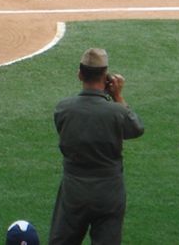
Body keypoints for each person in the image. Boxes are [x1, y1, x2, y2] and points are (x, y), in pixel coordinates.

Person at [49, 47, 144, 245]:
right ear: (106, 76)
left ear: (79, 74)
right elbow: (136, 129)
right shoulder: (117, 112)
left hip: (74, 189)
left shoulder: (63, 108)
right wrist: (118, 97)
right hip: (109, 190)